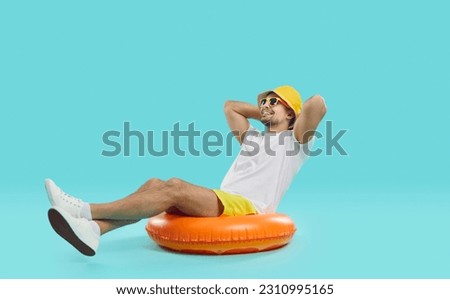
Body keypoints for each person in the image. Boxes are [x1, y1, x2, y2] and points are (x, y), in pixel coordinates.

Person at [45, 85, 327, 256]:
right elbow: (230, 107)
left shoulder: (295, 142)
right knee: (156, 182)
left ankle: (84, 209)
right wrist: (266, 111)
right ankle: (94, 230)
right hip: (225, 199)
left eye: (273, 102)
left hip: (249, 207)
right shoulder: (253, 139)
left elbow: (317, 103)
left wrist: (288, 114)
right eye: (264, 101)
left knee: (175, 186)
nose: (265, 105)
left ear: (291, 112)